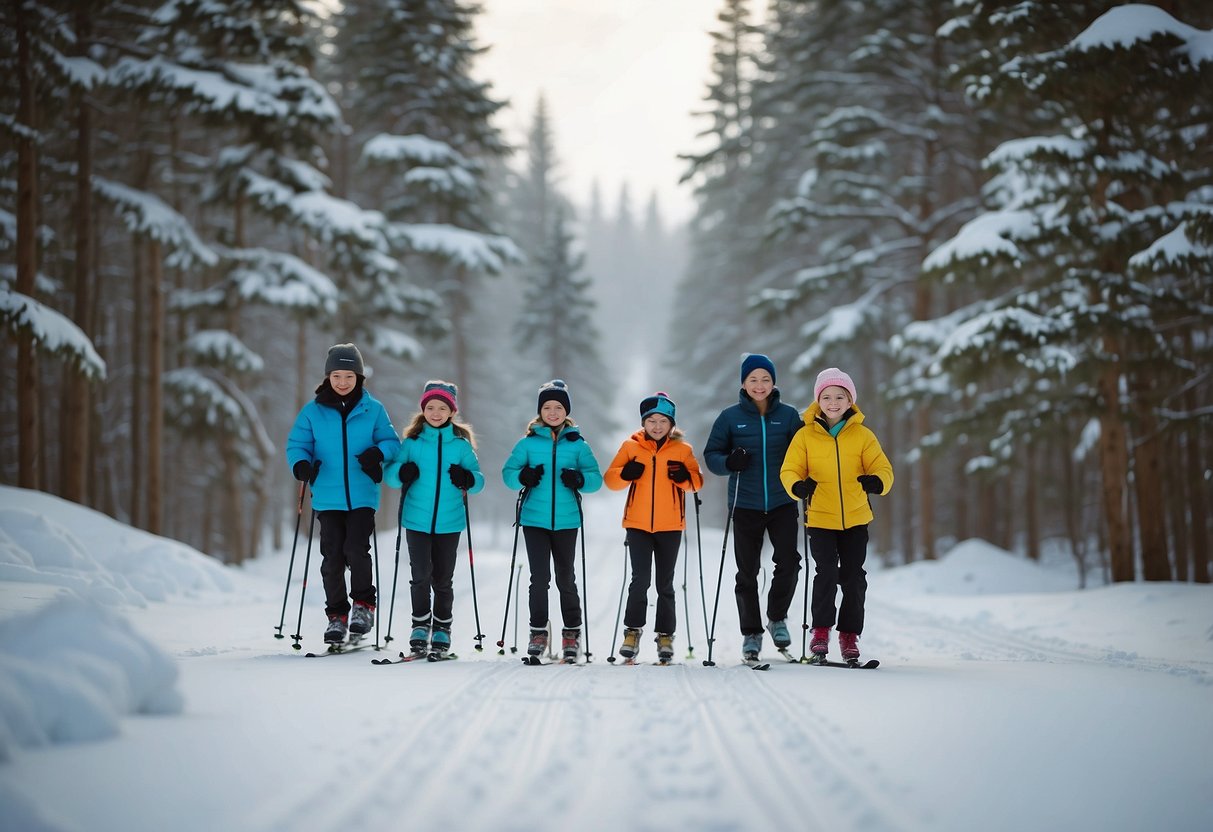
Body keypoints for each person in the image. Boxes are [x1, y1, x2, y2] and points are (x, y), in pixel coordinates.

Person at [286, 343, 400, 644]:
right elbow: (298, 445)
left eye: (349, 375)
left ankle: (364, 607)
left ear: (358, 377)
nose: (342, 382)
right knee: (332, 557)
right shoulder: (312, 412)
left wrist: (378, 453)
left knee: (357, 550)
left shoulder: (373, 409)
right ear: (328, 377)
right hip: (326, 496)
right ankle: (337, 615)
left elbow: (391, 442)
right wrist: (301, 465)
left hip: (363, 495)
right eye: (336, 375)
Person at [779, 367, 893, 663]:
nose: (832, 402)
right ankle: (820, 631)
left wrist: (877, 482)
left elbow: (883, 468)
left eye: (839, 397)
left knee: (854, 577)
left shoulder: (862, 435)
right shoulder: (805, 436)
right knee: (826, 572)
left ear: (849, 400)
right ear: (818, 400)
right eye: (827, 397)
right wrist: (797, 486)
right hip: (820, 518)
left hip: (856, 518)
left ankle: (849, 635)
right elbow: (789, 469)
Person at [703, 353, 804, 662]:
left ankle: (776, 617)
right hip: (744, 504)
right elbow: (712, 457)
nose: (759, 385)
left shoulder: (788, 417)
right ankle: (752, 633)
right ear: (743, 383)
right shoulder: (730, 417)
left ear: (774, 382)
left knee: (789, 563)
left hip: (782, 501)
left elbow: (806, 451)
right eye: (753, 380)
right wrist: (729, 462)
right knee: (747, 572)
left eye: (765, 379)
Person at [502, 380, 603, 663]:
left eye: (558, 407)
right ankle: (538, 634)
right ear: (540, 411)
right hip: (534, 519)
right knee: (539, 579)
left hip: (567, 521)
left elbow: (596, 480)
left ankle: (571, 634)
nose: (553, 412)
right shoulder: (528, 443)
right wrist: (523, 476)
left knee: (565, 578)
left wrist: (580, 479)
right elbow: (508, 473)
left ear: (566, 411)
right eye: (547, 407)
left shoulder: (578, 445)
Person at [382, 381, 485, 657]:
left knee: (442, 578)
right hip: (416, 520)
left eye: (442, 408)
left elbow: (479, 482)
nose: (436, 412)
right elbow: (390, 475)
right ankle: (419, 625)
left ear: (452, 412)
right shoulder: (413, 443)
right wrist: (402, 473)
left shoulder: (461, 447)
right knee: (420, 576)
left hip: (450, 523)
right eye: (430, 407)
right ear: (423, 410)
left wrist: (467, 478)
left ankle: (442, 628)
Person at [603, 392, 704, 664]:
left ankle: (665, 636)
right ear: (643, 423)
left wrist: (684, 478)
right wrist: (626, 474)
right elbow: (610, 480)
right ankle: (632, 633)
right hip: (637, 525)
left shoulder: (683, 450)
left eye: (663, 421)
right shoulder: (631, 447)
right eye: (651, 421)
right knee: (640, 581)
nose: (657, 426)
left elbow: (697, 483)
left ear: (671, 424)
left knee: (665, 583)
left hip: (670, 526)